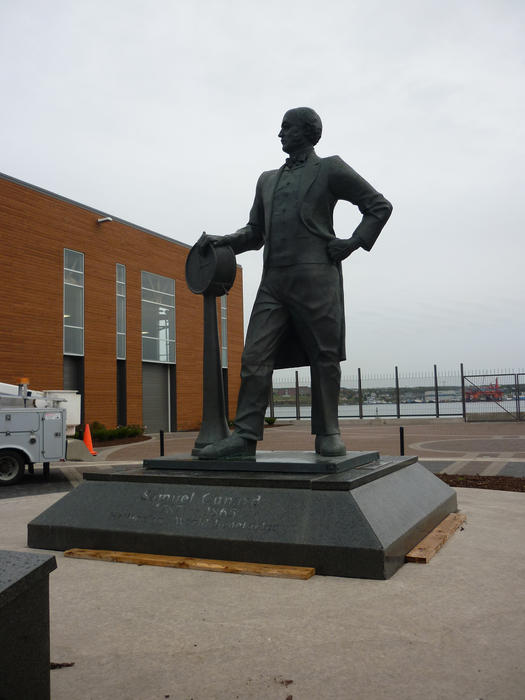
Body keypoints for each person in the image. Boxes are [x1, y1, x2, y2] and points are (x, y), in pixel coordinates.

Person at [198, 107, 392, 459]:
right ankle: (244, 436)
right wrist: (224, 241)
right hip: (273, 280)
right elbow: (256, 233)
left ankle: (328, 432)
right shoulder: (266, 180)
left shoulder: (330, 168)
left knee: (324, 356)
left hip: (317, 275)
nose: (280, 133)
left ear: (309, 131)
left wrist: (351, 243)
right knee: (254, 356)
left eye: (286, 127)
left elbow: (378, 206)